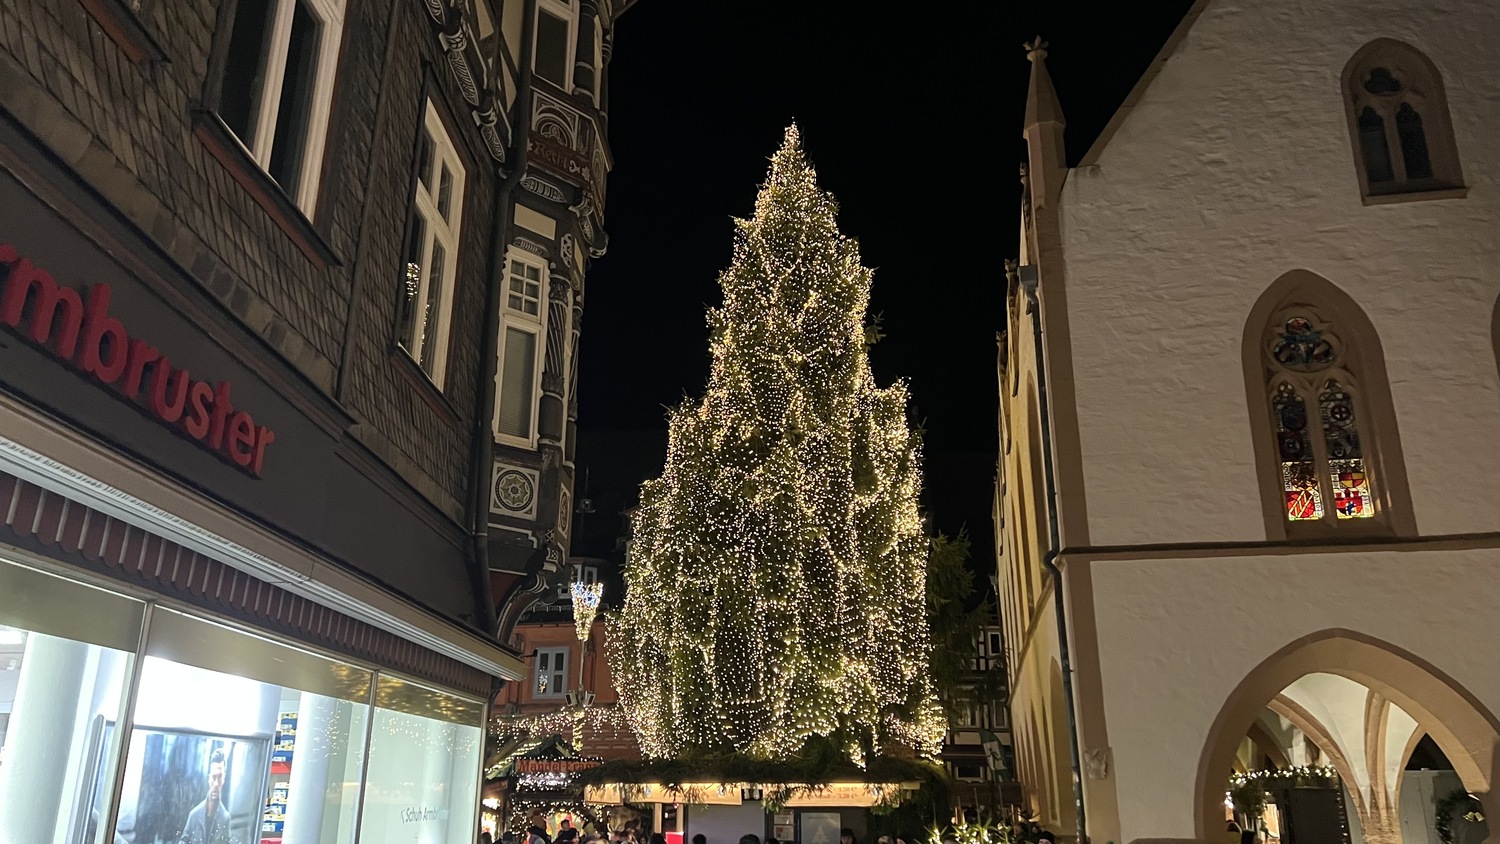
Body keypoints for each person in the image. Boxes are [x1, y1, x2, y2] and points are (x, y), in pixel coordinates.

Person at [179, 748, 232, 844]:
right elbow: (183, 841)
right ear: (209, 779)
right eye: (213, 777)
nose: (216, 783)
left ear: (223, 780)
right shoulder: (194, 815)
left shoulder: (225, 818)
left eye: (220, 777)